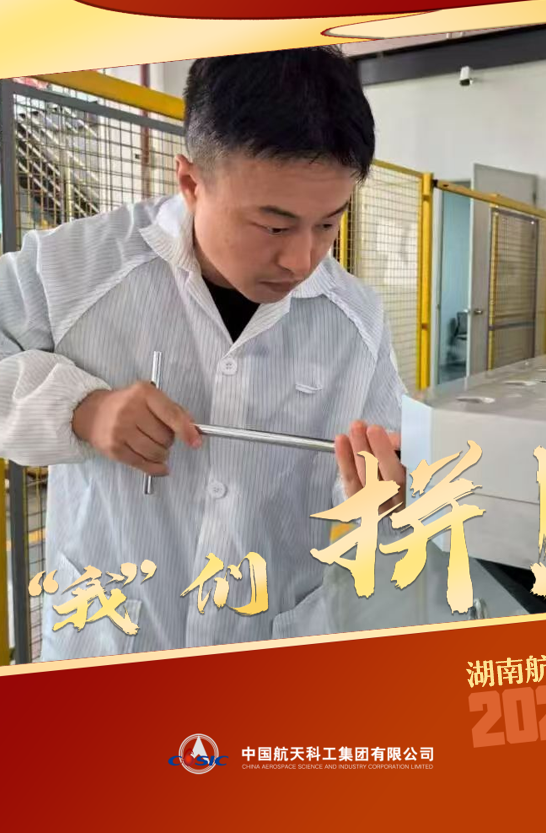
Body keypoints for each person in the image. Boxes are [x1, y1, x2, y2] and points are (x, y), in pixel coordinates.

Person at [0, 47, 406, 661]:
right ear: (191, 182)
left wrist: (386, 500)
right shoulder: (75, 267)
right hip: (110, 642)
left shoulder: (357, 321)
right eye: (274, 225)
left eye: (328, 224)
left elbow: (386, 476)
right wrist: (79, 410)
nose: (301, 259)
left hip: (272, 642)